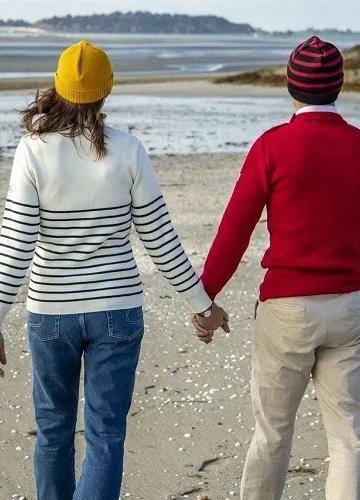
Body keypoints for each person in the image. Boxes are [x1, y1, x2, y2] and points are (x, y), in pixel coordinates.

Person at [0, 40, 228, 500]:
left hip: (51, 315)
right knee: (105, 435)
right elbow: (161, 241)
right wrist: (203, 306)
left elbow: (16, 244)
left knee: (52, 431)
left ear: (59, 88)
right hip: (117, 313)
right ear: (107, 91)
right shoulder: (128, 150)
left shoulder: (33, 150)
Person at [193, 36, 360, 499]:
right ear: (339, 85)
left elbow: (234, 233)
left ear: (292, 86)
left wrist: (204, 299)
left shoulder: (272, 146)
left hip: (287, 311)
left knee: (272, 435)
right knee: (348, 439)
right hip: (350, 307)